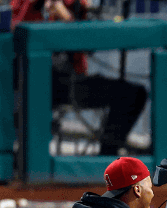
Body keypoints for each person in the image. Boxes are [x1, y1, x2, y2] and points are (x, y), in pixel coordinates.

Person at [12, 0, 149, 156]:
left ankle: (106, 160)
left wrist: (67, 14)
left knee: (133, 94)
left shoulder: (77, 5)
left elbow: (90, 44)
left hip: (71, 83)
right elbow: (15, 31)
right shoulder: (28, 4)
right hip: (32, 84)